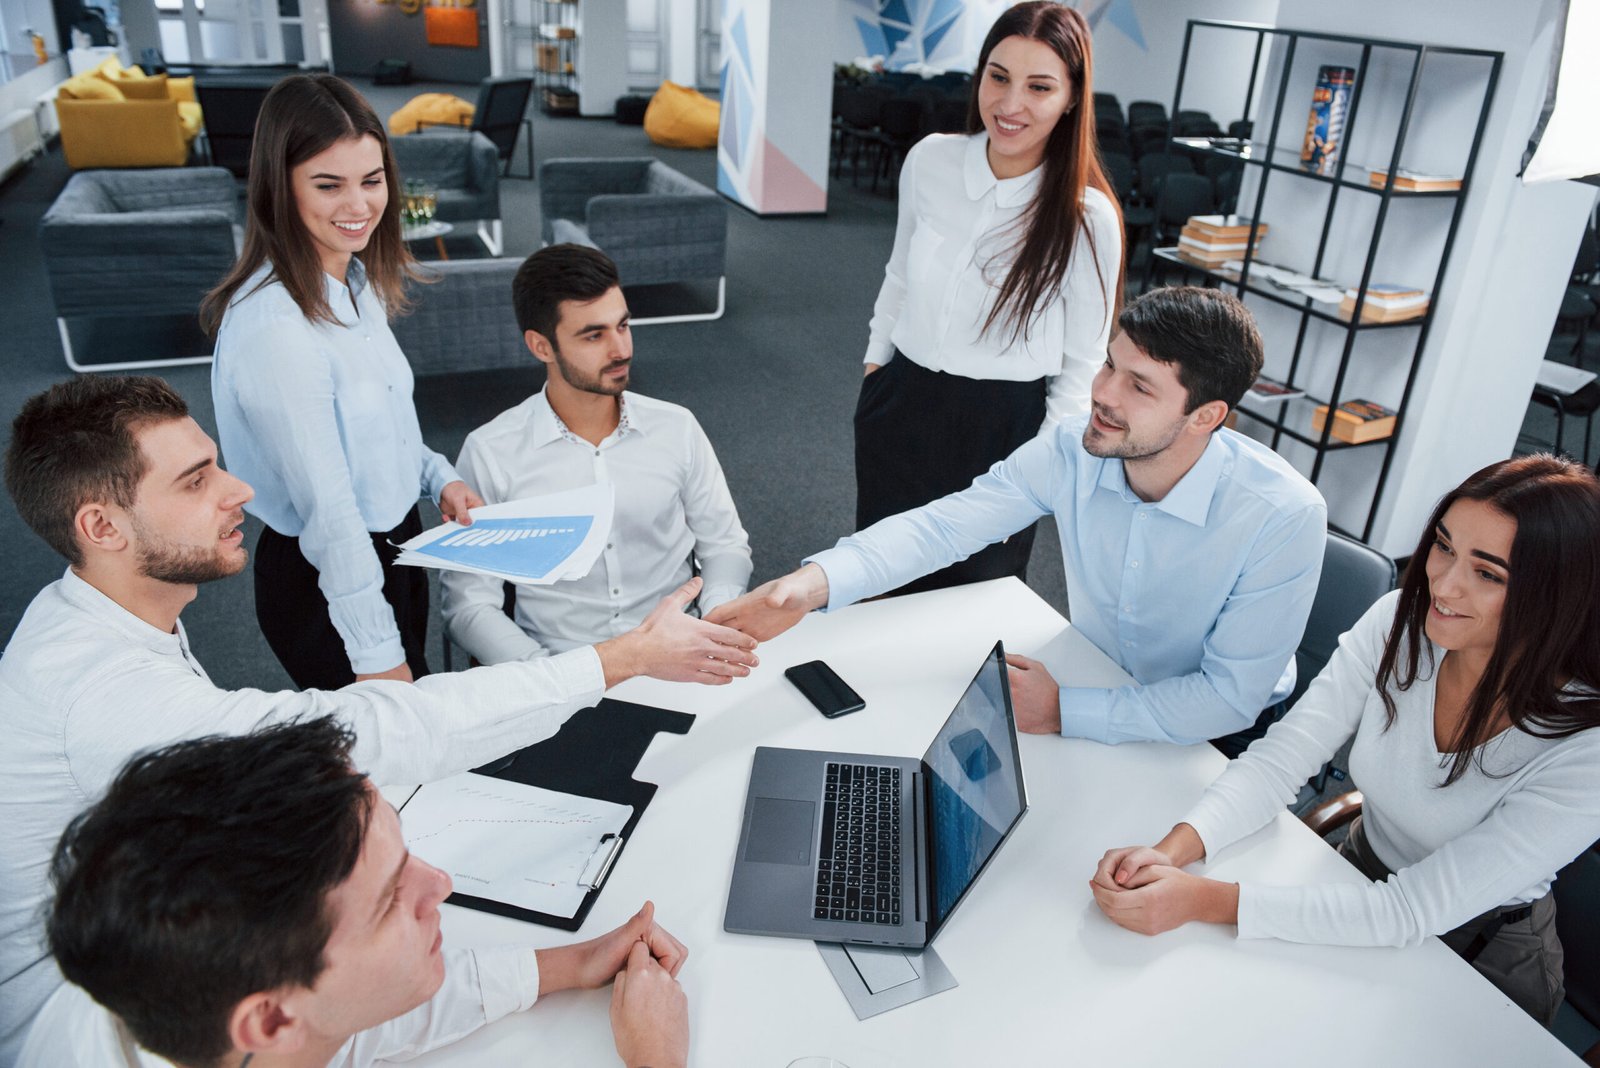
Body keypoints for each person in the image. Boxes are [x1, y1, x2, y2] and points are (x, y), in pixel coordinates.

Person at [0, 375, 756, 1061]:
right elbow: (368, 735)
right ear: (102, 528)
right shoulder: (98, 697)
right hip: (79, 1007)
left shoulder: (96, 614)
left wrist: (562, 967)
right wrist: (620, 659)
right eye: (197, 481)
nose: (240, 489)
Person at [1089, 455, 1600, 1026]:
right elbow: (1282, 759)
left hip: (1479, 951)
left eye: (1488, 574)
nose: (1444, 583)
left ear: (1556, 597)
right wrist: (1170, 852)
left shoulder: (1585, 749)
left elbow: (1411, 911)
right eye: (1445, 546)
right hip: (1354, 870)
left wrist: (1200, 900)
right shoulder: (1404, 624)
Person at [709, 286, 1327, 747]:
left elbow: (1227, 698)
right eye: (1110, 365)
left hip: (1219, 732)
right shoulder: (1072, 447)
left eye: (1140, 387)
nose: (1104, 394)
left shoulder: (1282, 516)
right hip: (1094, 669)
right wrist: (808, 587)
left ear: (1206, 416)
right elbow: (945, 526)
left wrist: (1067, 712)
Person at [21, 717, 690, 1067]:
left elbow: (356, 1011)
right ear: (273, 1022)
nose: (442, 885)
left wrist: (567, 965)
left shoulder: (207, 1007)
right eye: (391, 898)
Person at [202, 73, 480, 690]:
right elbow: (329, 512)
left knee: (422, 745)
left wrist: (441, 478)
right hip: (329, 577)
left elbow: (385, 422)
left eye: (372, 180)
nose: (359, 207)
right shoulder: (276, 326)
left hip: (396, 545)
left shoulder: (355, 282)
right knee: (385, 756)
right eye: (329, 186)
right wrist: (377, 653)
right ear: (281, 188)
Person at [854, 1, 1123, 594]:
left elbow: (1082, 365)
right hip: (902, 402)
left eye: (1039, 86)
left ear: (1073, 97)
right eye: (998, 77)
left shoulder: (1086, 216)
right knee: (875, 585)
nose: (1010, 104)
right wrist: (876, 370)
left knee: (966, 609)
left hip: (1000, 433)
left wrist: (1042, 469)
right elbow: (898, 274)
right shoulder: (930, 160)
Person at [443, 244, 753, 664]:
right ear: (541, 346)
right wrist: (547, 674)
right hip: (559, 666)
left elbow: (725, 547)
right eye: (594, 335)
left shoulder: (676, 427)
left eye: (623, 326)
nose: (620, 349)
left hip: (683, 650)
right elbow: (469, 605)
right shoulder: (491, 452)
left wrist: (714, 617)